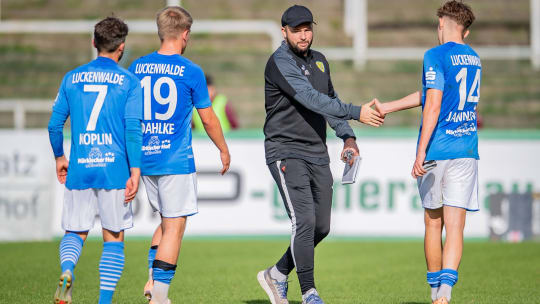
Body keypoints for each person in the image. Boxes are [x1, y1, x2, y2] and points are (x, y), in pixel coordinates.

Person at [257, 5, 383, 304]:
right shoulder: (279, 62)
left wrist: (348, 136)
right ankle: (309, 293)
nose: (304, 35)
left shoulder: (321, 62)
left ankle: (276, 274)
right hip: (285, 149)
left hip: (316, 151)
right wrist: (356, 113)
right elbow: (311, 99)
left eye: (307, 28)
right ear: (284, 31)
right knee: (304, 221)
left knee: (322, 226)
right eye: (297, 29)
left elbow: (328, 101)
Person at [375, 1, 480, 303]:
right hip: (467, 150)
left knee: (434, 223)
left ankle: (436, 292)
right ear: (466, 31)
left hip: (438, 149)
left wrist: (420, 152)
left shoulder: (434, 54)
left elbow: (433, 104)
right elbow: (432, 92)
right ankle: (446, 293)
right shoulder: (474, 58)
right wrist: (390, 106)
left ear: (442, 24)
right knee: (456, 225)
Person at [128, 6, 230, 304]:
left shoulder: (137, 67)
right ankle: (160, 298)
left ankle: (150, 281)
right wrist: (223, 148)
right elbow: (209, 118)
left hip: (146, 159)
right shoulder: (191, 71)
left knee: (164, 222)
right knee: (175, 227)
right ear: (185, 34)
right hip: (175, 160)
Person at [47, 16, 143, 304]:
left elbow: (54, 125)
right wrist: (135, 171)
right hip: (113, 170)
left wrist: (59, 157)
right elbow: (133, 130)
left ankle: (67, 270)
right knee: (113, 237)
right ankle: (103, 302)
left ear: (94, 43)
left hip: (80, 166)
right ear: (122, 47)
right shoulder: (129, 81)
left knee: (75, 231)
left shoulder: (71, 78)